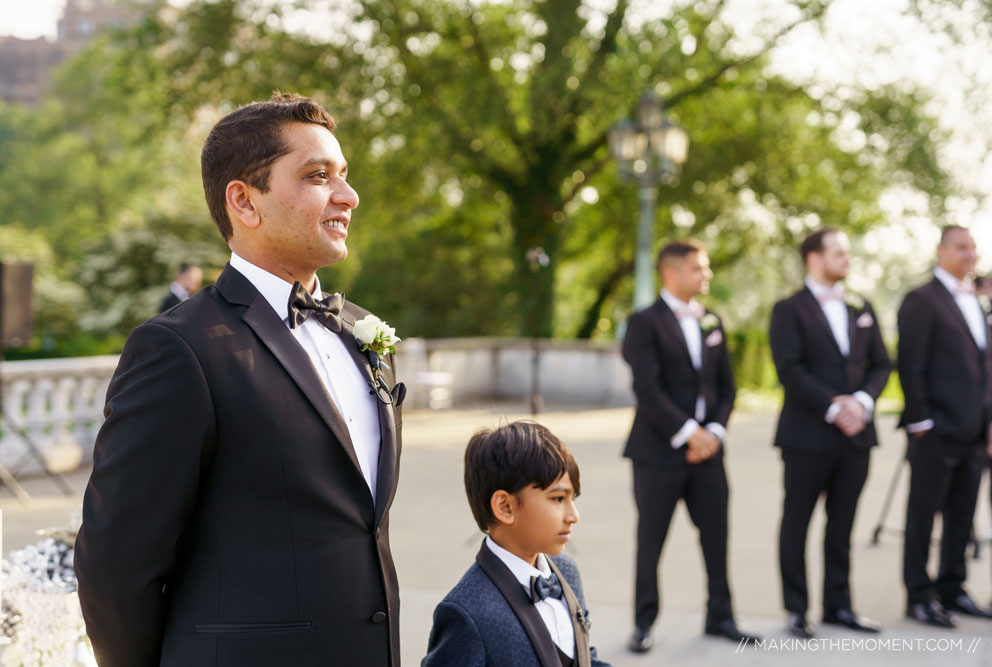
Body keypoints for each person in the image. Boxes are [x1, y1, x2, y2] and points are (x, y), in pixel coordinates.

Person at [75, 93, 405, 666]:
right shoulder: (178, 350)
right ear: (245, 202)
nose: (348, 197)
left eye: (343, 176)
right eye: (317, 176)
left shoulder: (360, 331)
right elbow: (116, 565)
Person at [622, 240, 758, 653]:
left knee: (716, 536)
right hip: (658, 452)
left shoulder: (712, 320)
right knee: (651, 541)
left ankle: (721, 616)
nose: (707, 275)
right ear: (672, 273)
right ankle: (643, 623)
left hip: (709, 454)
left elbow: (726, 387)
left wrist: (713, 432)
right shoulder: (643, 322)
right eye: (699, 269)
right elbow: (647, 389)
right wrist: (688, 433)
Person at [769, 228, 890, 638]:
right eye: (839, 252)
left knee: (843, 525)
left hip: (857, 437)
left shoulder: (862, 305)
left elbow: (881, 364)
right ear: (813, 258)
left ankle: (840, 605)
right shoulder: (788, 309)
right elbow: (789, 369)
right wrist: (835, 406)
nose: (847, 259)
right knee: (797, 523)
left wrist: (863, 403)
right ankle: (797, 609)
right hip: (806, 436)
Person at [422, 422, 610, 667]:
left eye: (572, 499)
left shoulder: (566, 572)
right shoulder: (468, 613)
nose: (574, 515)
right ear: (505, 507)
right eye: (558, 499)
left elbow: (586, 657)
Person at [899, 225, 992, 627]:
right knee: (923, 515)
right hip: (935, 431)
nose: (970, 254)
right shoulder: (921, 300)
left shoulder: (975, 300)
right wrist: (921, 423)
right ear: (940, 251)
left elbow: (984, 367)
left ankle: (952, 587)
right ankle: (918, 595)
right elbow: (910, 364)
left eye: (973, 248)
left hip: (974, 433)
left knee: (962, 514)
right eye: (961, 247)